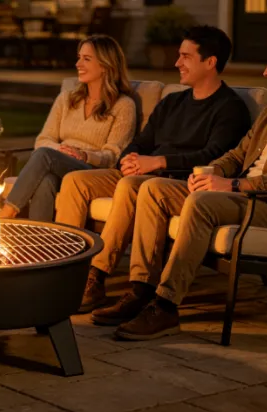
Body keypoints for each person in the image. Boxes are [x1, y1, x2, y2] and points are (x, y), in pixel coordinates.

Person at [99, 31, 267, 341]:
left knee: (201, 203)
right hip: (246, 197)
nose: (265, 72)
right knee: (152, 188)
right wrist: (210, 172)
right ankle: (141, 289)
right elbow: (238, 155)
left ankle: (165, 306)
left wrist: (231, 184)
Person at [54, 25, 252, 314]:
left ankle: (97, 277)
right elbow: (141, 141)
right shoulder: (173, 101)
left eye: (185, 56)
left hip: (177, 180)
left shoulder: (230, 108)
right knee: (76, 181)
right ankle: (64, 271)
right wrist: (129, 159)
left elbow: (214, 156)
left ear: (210, 62)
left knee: (130, 185)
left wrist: (159, 162)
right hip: (145, 172)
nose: (177, 63)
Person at [0, 35, 136, 222]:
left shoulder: (124, 106)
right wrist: (61, 150)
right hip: (59, 163)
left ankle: (6, 215)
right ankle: (42, 240)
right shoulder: (67, 99)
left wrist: (84, 155)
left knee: (44, 155)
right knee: (45, 180)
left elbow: (113, 155)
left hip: (91, 169)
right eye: (79, 58)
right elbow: (43, 140)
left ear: (105, 65)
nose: (78, 64)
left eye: (87, 59)